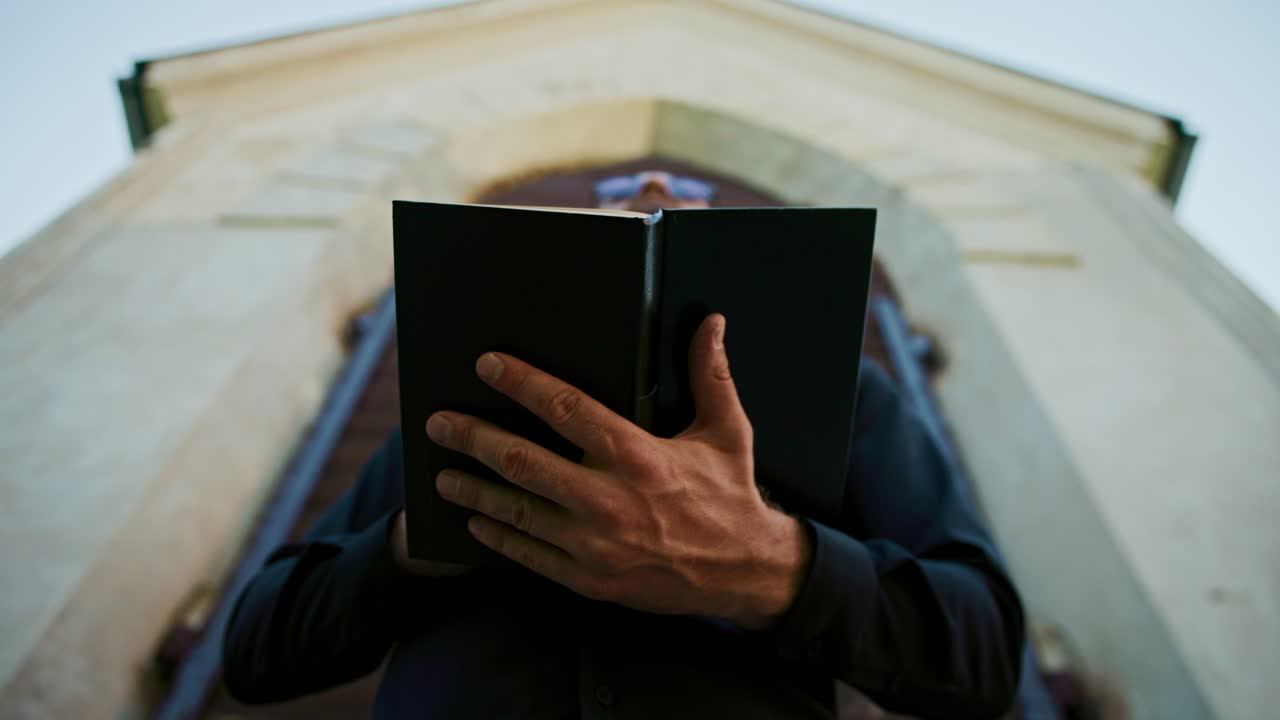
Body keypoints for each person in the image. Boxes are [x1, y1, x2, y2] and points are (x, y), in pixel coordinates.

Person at [221, 171, 1026, 719]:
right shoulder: (451, 414)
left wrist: (769, 566)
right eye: (622, 192)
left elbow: (984, 651)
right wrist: (418, 542)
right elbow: (256, 646)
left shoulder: (853, 396)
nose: (652, 194)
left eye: (684, 195)